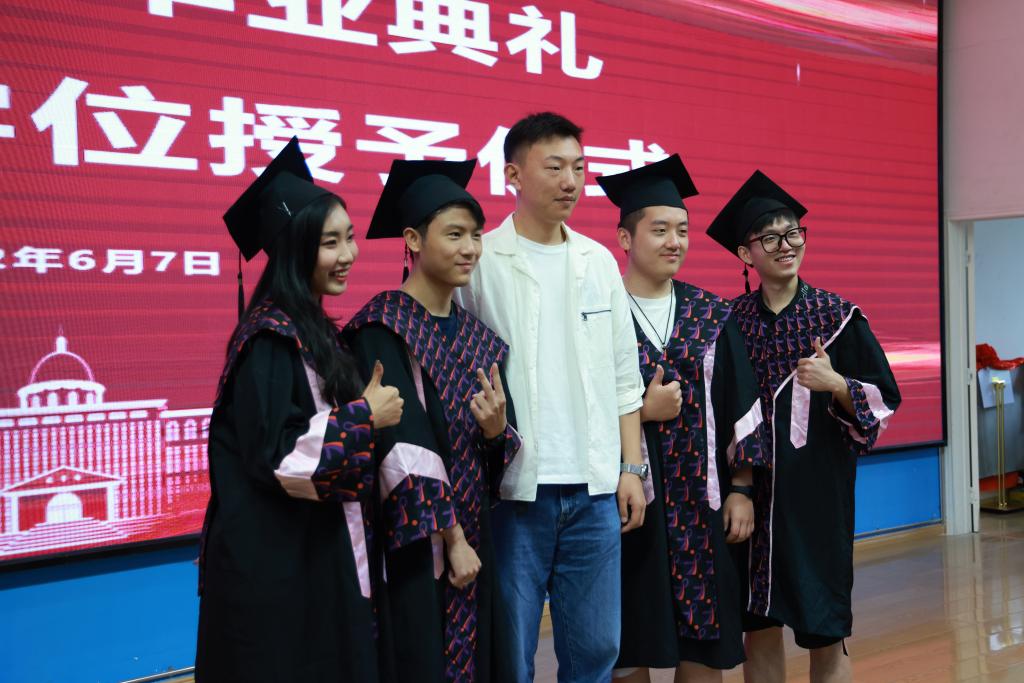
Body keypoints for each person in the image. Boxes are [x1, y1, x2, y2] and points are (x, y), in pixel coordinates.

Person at [195, 137, 403, 682]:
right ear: (294, 250)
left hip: (314, 555)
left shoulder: (314, 330)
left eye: (349, 237)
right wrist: (364, 417)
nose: (348, 254)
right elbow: (280, 458)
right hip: (277, 569)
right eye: (329, 242)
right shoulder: (269, 340)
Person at [455, 112, 647, 683]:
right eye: (555, 167)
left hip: (594, 490)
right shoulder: (481, 261)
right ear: (513, 174)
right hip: (515, 493)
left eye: (579, 168)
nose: (570, 182)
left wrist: (631, 468)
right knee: (510, 653)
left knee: (596, 650)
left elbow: (624, 375)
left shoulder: (598, 261)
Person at [706, 170, 902, 683]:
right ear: (746, 253)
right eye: (770, 237)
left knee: (825, 631)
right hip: (751, 500)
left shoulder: (838, 317)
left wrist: (836, 383)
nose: (786, 245)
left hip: (818, 499)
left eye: (793, 233)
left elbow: (884, 400)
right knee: (759, 630)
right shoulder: (730, 323)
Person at [343, 159, 522, 683]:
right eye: (454, 234)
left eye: (476, 235)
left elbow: (500, 444)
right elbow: (403, 449)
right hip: (414, 544)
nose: (470, 248)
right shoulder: (382, 329)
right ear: (413, 240)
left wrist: (496, 433)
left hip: (475, 535)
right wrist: (453, 538)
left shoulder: (479, 338)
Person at [597, 155, 768, 683]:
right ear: (624, 238)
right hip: (629, 504)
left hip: (702, 503)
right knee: (629, 640)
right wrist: (642, 411)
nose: (675, 241)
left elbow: (743, 406)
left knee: (704, 643)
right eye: (660, 230)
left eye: (683, 231)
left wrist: (742, 489)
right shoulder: (599, 314)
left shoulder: (711, 314)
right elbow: (576, 407)